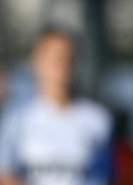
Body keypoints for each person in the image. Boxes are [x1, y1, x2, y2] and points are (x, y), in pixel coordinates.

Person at [0, 29, 113, 185]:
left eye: (68, 58)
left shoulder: (98, 118)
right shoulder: (17, 115)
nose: (62, 66)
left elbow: (103, 176)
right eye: (55, 59)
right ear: (36, 61)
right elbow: (6, 174)